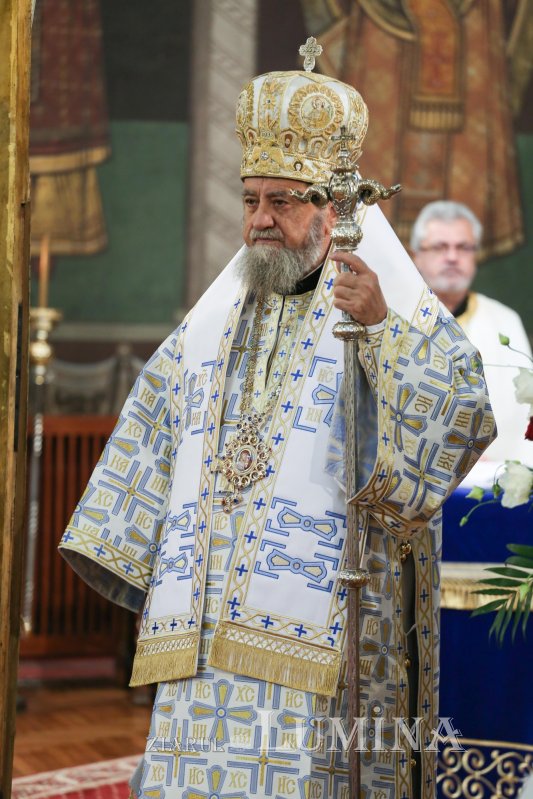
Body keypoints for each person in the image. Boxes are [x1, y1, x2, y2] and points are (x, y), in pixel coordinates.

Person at [59, 57, 495, 799]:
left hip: (327, 633)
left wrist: (384, 331)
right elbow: (156, 417)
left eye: (283, 202)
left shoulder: (381, 297)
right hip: (201, 638)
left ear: (333, 210)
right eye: (251, 199)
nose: (260, 218)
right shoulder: (216, 315)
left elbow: (460, 408)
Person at [411, 201, 532, 467]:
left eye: (463, 247)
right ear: (416, 255)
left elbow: (525, 414)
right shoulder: (397, 316)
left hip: (490, 482)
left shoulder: (505, 321)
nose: (452, 257)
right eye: (440, 247)